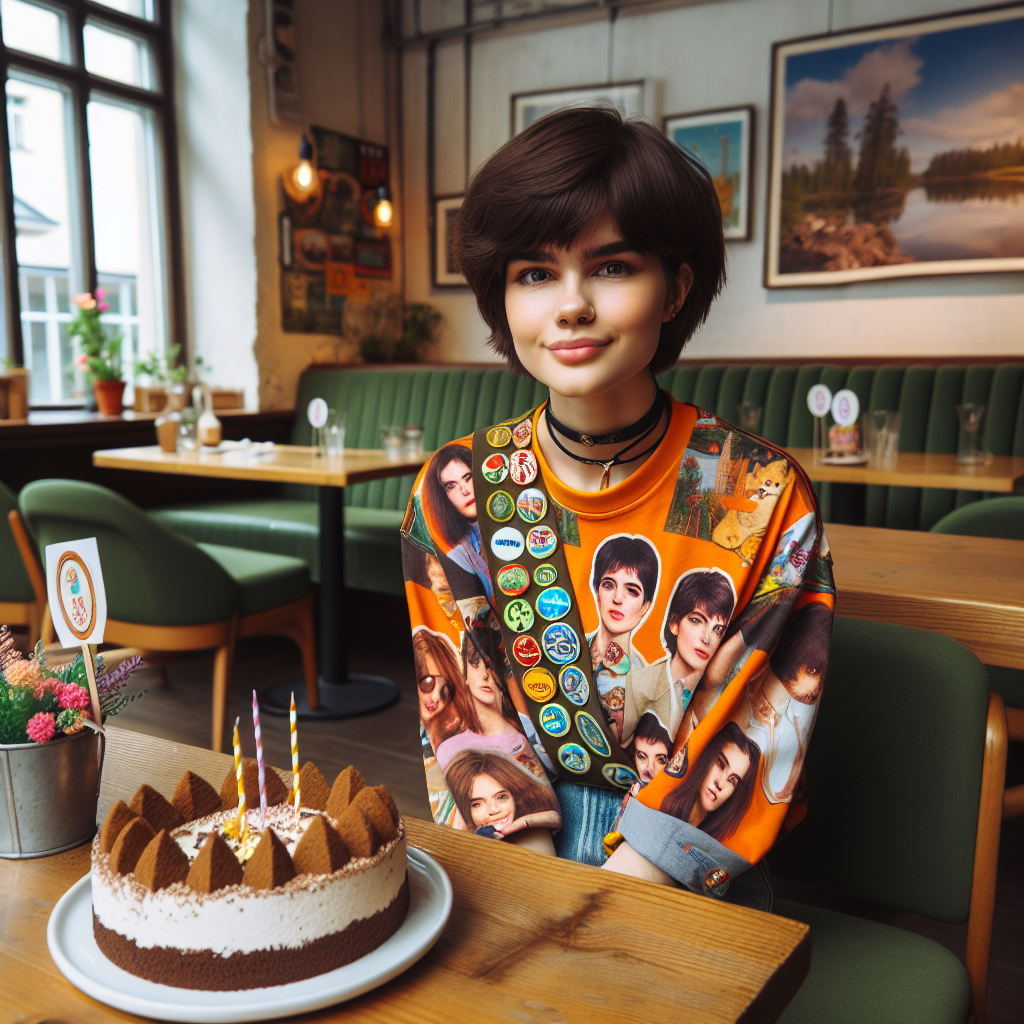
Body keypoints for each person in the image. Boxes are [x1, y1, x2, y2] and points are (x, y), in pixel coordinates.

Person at [401, 106, 833, 896]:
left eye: (611, 267)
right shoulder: (457, 489)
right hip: (515, 837)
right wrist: (536, 892)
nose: (570, 305)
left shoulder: (755, 493)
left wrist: (605, 904)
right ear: (503, 298)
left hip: (689, 856)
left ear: (675, 290)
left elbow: (750, 727)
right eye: (535, 274)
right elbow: (465, 715)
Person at [622, 568, 735, 744]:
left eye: (718, 630)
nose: (707, 638)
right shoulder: (640, 683)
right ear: (675, 623)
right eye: (697, 620)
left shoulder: (723, 693)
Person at [588, 535, 660, 741]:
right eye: (609, 585)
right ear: (597, 590)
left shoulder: (646, 682)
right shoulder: (568, 643)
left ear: (646, 606)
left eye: (631, 590)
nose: (617, 598)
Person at [659, 723, 761, 842]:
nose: (720, 783)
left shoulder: (717, 844)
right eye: (720, 764)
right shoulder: (665, 803)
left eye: (733, 780)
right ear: (708, 757)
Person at [445, 748, 562, 842]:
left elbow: (555, 818)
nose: (493, 810)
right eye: (476, 804)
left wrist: (515, 826)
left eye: (501, 797)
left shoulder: (532, 824)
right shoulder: (468, 831)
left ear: (515, 796)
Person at [423, 444, 493, 600]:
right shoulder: (453, 548)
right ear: (443, 497)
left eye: (468, 478)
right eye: (451, 486)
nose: (465, 490)